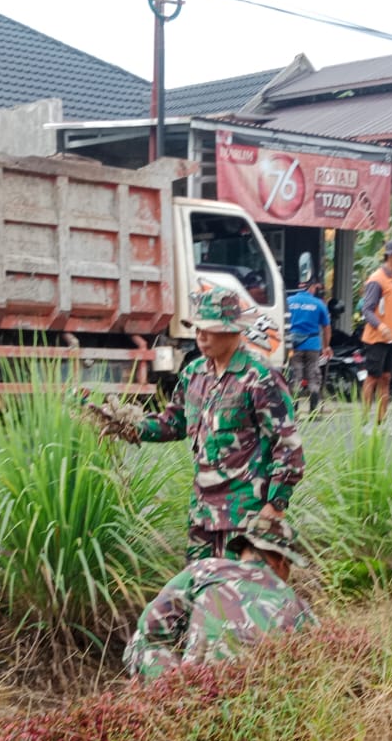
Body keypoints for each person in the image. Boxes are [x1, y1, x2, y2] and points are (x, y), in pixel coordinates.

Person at [91, 281, 303, 561]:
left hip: (247, 513)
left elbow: (287, 445)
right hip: (203, 512)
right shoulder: (194, 374)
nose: (201, 337)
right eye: (198, 329)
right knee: (204, 591)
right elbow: (174, 422)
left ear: (233, 330)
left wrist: (276, 503)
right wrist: (128, 425)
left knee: (242, 595)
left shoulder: (259, 376)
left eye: (210, 329)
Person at [124, 515, 316, 678]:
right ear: (282, 561)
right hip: (263, 697)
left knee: (141, 639)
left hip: (198, 690)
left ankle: (164, 698)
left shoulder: (205, 569)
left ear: (243, 551)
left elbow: (150, 623)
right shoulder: (300, 606)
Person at [360, 239, 392, 423]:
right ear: (390, 255)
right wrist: (381, 327)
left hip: (390, 340)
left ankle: (381, 421)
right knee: (372, 378)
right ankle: (364, 421)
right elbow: (366, 310)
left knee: (387, 378)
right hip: (375, 339)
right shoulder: (376, 280)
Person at [286, 276, 332, 412]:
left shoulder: (289, 301)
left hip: (294, 346)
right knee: (313, 376)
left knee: (295, 376)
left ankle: (294, 412)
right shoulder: (318, 304)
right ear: (311, 287)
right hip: (312, 345)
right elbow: (326, 327)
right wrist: (326, 346)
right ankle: (313, 412)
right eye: (314, 288)